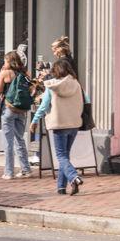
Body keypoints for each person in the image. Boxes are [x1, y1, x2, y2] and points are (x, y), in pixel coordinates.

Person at [42, 57, 86, 195]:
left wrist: (34, 120)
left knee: (61, 156)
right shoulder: (77, 84)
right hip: (73, 125)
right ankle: (61, 187)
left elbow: (44, 105)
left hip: (59, 125)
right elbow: (86, 100)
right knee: (65, 156)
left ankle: (74, 177)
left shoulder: (52, 86)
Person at [0, 51, 34, 180]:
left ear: (9, 61)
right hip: (22, 110)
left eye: (5, 61)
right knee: (20, 139)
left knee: (8, 142)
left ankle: (9, 172)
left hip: (9, 109)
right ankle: (26, 169)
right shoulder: (25, 73)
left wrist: (3, 74)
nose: (4, 63)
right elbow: (31, 89)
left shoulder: (5, 73)